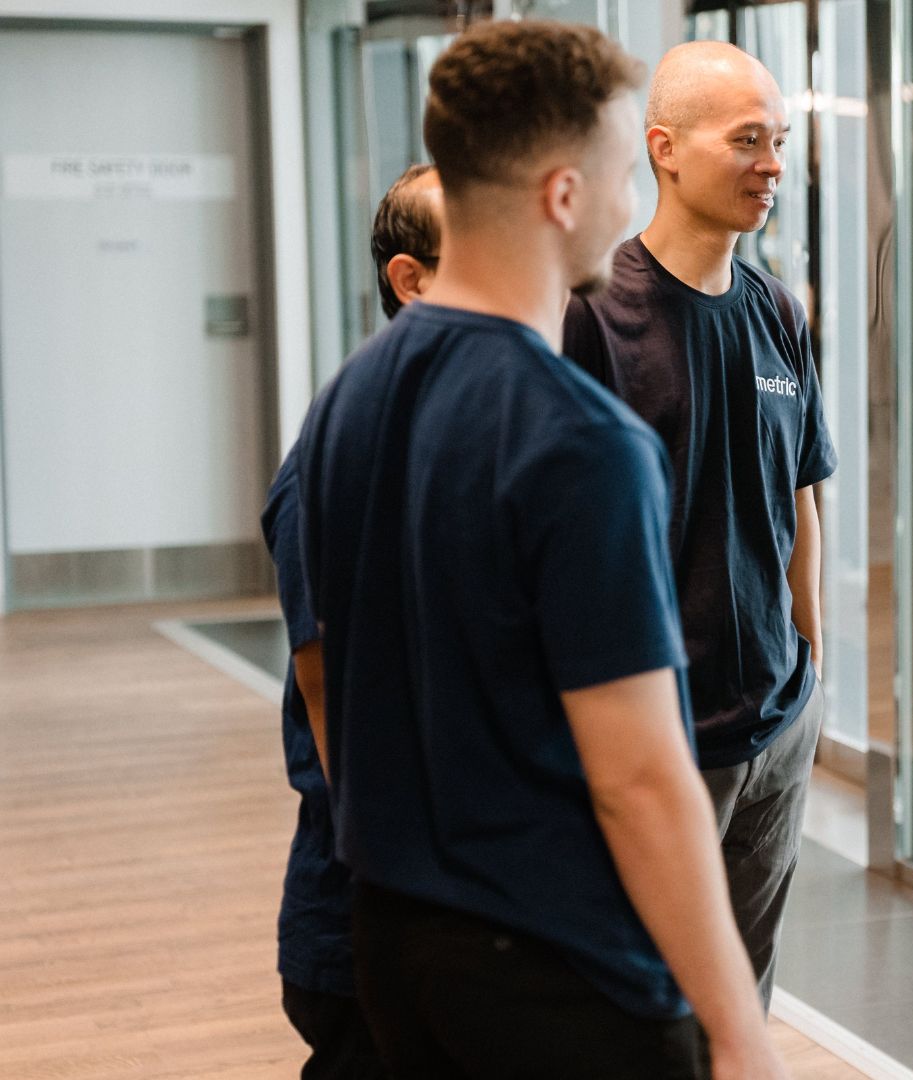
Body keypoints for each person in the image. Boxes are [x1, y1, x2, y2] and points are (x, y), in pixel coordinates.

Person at [295, 22, 786, 1078]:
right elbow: (642, 779)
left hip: (393, 946)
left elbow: (338, 676)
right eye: (620, 174)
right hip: (560, 971)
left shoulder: (346, 404)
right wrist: (739, 1031)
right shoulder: (581, 437)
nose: (628, 206)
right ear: (565, 195)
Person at [563, 40, 836, 1003]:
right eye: (748, 140)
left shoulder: (777, 313)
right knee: (640, 1009)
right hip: (658, 742)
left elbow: (802, 492)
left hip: (776, 725)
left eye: (782, 141)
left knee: (743, 1002)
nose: (773, 165)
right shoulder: (591, 317)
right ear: (664, 148)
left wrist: (812, 664)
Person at [261, 162, 440, 1080]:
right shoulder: (336, 459)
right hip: (365, 916)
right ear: (411, 281)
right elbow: (329, 687)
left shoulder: (476, 434)